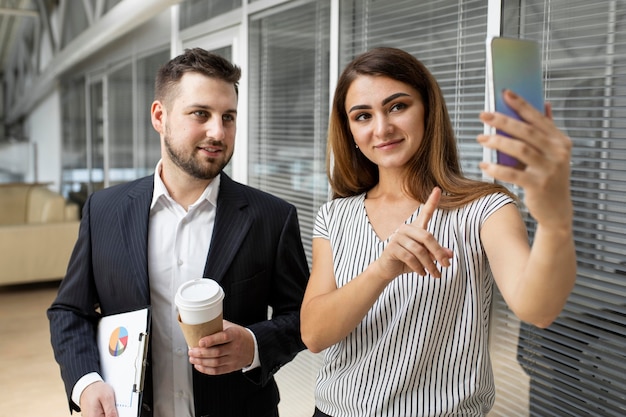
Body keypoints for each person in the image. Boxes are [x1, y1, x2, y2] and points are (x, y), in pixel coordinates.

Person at [300, 47, 576, 416]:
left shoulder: (484, 207)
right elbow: (314, 335)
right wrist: (383, 268)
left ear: (428, 111)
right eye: (363, 116)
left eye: (398, 106)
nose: (381, 128)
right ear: (349, 130)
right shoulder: (335, 215)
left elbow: (538, 309)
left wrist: (555, 222)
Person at [48, 48, 310, 417]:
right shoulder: (103, 211)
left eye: (228, 117)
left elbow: (303, 316)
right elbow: (69, 311)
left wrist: (253, 345)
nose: (218, 132)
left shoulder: (272, 216)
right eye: (201, 114)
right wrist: (85, 381)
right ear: (160, 116)